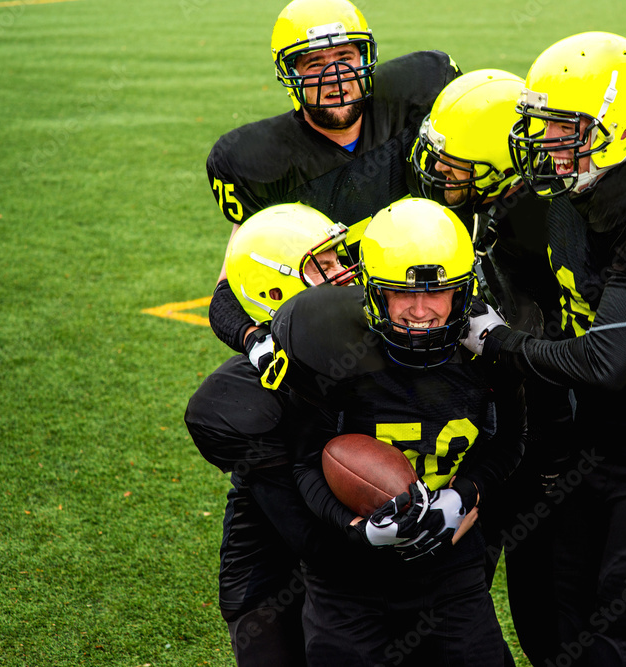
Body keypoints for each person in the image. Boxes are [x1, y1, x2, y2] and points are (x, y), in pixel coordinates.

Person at [412, 67, 626, 665]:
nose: (543, 143)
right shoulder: (559, 189)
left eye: (560, 131)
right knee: (550, 636)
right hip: (552, 437)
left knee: (615, 649)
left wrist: (499, 341)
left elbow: (620, 341)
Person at [186, 0, 459, 662]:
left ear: (368, 57)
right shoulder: (260, 160)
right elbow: (231, 287)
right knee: (248, 449)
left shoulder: (418, 97)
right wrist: (262, 344)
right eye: (315, 63)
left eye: (345, 59)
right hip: (315, 366)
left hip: (408, 355)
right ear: (290, 74)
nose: (336, 78)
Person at [267, 198, 525, 666]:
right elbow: (304, 462)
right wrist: (358, 530)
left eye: (438, 292)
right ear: (372, 293)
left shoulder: (490, 352)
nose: (420, 310)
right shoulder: (330, 345)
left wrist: (462, 495)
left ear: (465, 293)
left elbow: (508, 442)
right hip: (347, 577)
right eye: (401, 293)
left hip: (449, 569)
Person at [185, 202, 358, 665]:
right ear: (279, 284)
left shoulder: (360, 338)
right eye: (324, 266)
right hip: (278, 560)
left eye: (338, 259)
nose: (344, 273)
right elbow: (316, 541)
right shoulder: (245, 398)